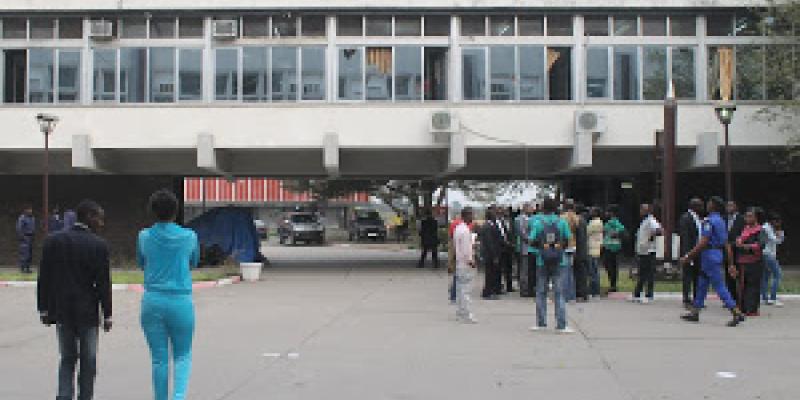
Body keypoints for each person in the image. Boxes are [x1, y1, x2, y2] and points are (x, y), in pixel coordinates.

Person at [37, 199, 112, 400]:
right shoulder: (99, 246)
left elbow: (44, 278)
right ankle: (85, 397)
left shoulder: (53, 241)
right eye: (99, 218)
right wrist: (108, 314)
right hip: (88, 313)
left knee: (67, 358)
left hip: (62, 311)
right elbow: (103, 283)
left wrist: (43, 309)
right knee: (89, 359)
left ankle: (64, 396)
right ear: (89, 217)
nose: (101, 223)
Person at [137, 189, 200, 400]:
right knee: (182, 355)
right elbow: (194, 262)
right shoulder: (189, 236)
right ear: (176, 210)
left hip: (152, 300)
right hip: (180, 300)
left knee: (159, 359)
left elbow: (141, 263)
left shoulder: (144, 236)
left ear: (152, 211)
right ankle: (179, 397)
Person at [681, 196, 746, 327]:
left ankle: (736, 311)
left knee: (719, 286)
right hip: (717, 254)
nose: (707, 205)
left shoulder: (709, 221)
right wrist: (731, 263)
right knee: (702, 283)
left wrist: (689, 256)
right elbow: (726, 244)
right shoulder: (722, 221)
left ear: (713, 206)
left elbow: (703, 242)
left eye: (709, 203)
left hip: (708, 255)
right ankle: (695, 311)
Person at [529, 198, 573, 333]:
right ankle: (561, 325)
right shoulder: (562, 222)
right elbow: (568, 238)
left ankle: (541, 323)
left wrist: (543, 248)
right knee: (559, 293)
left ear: (543, 208)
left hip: (542, 261)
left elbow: (531, 240)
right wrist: (558, 247)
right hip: (560, 261)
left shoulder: (537, 222)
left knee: (541, 292)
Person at [733, 208, 765, 316]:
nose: (747, 218)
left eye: (750, 216)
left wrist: (746, 246)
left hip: (754, 262)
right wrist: (738, 242)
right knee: (742, 286)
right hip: (742, 262)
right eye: (746, 216)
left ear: (756, 218)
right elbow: (737, 241)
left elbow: (761, 245)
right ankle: (742, 308)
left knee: (753, 285)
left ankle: (752, 309)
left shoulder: (760, 230)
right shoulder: (744, 229)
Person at [632, 203, 661, 304]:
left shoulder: (651, 220)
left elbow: (659, 230)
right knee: (642, 273)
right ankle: (637, 294)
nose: (640, 211)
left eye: (643, 209)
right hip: (643, 251)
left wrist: (650, 239)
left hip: (649, 251)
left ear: (648, 211)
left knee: (648, 274)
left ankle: (649, 295)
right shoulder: (644, 221)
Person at [678, 198, 704, 308]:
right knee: (687, 276)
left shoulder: (698, 218)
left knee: (697, 276)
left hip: (697, 251)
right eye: (700, 206)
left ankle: (697, 298)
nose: (702, 208)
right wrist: (687, 254)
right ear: (694, 206)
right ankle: (686, 298)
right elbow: (685, 237)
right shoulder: (686, 218)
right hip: (689, 252)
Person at [453, 207, 478, 323]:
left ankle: (460, 312)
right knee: (466, 290)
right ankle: (466, 314)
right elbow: (465, 249)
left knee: (460, 289)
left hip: (459, 262)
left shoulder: (458, 228)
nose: (473, 218)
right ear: (466, 216)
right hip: (465, 264)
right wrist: (471, 261)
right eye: (472, 215)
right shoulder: (465, 231)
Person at [761, 212, 785, 307]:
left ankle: (764, 298)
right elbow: (776, 240)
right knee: (777, 275)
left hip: (765, 254)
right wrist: (781, 235)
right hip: (768, 255)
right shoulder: (767, 228)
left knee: (766, 276)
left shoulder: (766, 227)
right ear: (773, 221)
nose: (778, 224)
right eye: (777, 222)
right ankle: (773, 298)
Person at [560, 199, 581, 301]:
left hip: (564, 245)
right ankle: (572, 295)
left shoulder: (562, 217)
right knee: (570, 271)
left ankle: (564, 295)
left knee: (564, 271)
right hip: (573, 245)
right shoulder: (576, 217)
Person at [725, 201, 745, 302]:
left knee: (738, 274)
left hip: (738, 251)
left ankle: (740, 297)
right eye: (727, 206)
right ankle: (731, 297)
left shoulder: (741, 219)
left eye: (731, 206)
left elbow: (743, 234)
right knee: (728, 275)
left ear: (736, 207)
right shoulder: (724, 219)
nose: (729, 208)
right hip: (726, 251)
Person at [480, 209, 502, 299]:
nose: (496, 216)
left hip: (490, 253)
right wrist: (494, 255)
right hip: (489, 254)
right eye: (494, 214)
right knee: (489, 274)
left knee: (491, 273)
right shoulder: (488, 226)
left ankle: (489, 291)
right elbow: (490, 243)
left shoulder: (489, 225)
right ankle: (487, 292)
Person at [603, 208, 625, 293]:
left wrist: (614, 234)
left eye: (608, 212)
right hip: (615, 247)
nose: (606, 213)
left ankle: (613, 285)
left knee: (609, 266)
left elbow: (606, 231)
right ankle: (613, 284)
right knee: (613, 267)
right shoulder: (617, 223)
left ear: (612, 213)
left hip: (610, 247)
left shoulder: (611, 223)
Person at [586, 207, 604, 299]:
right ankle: (594, 291)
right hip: (595, 248)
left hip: (593, 249)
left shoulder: (594, 223)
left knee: (593, 272)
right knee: (594, 271)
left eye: (592, 211)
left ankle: (594, 291)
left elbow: (586, 232)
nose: (590, 212)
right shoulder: (597, 222)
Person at [496, 207, 514, 293]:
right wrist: (506, 243)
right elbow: (501, 235)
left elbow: (510, 233)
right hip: (502, 248)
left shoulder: (509, 221)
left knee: (509, 268)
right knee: (500, 268)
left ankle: (509, 286)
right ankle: (499, 286)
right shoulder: (499, 223)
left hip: (509, 248)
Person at [16, 204, 36, 273]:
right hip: (25, 237)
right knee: (24, 253)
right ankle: (22, 268)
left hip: (31, 237)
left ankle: (27, 268)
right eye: (29, 209)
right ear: (25, 210)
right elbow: (19, 228)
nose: (30, 211)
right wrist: (22, 237)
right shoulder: (22, 218)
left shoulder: (32, 218)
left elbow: (33, 228)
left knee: (30, 254)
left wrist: (33, 236)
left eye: (31, 209)